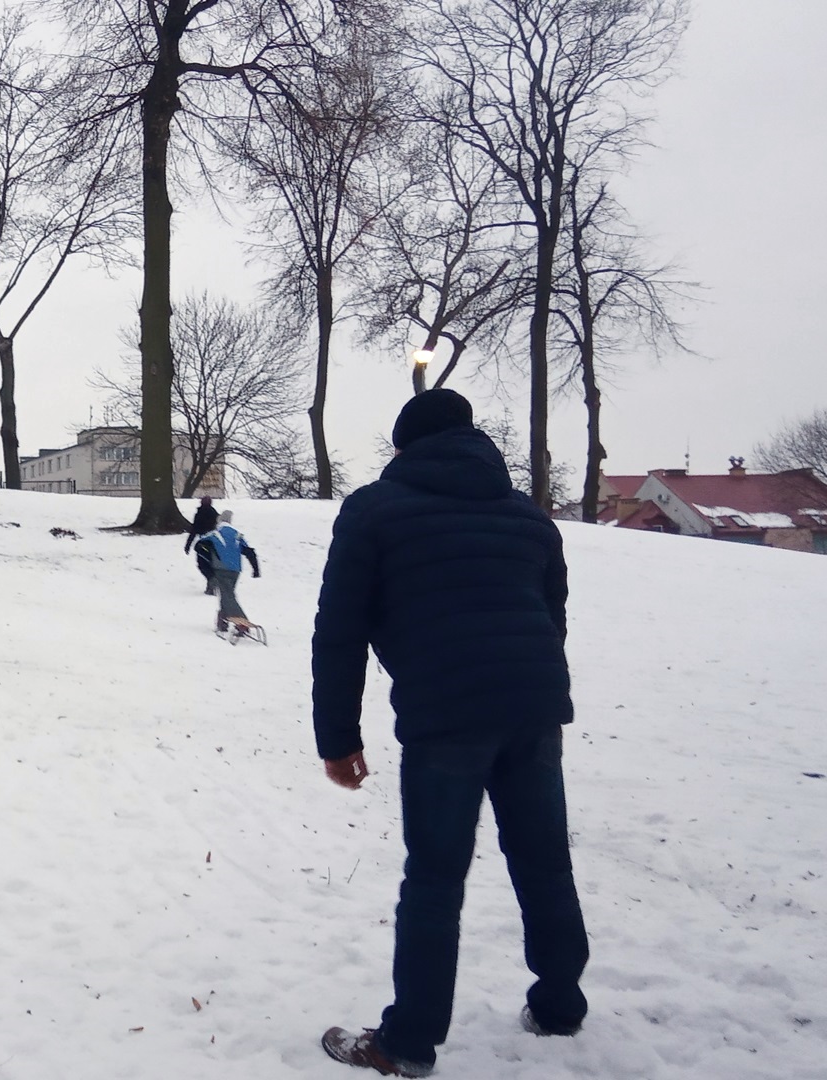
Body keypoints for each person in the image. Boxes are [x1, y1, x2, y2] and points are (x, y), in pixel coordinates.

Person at [314, 389, 586, 1079]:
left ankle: (405, 1044)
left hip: (446, 717)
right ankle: (560, 1004)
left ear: (405, 447)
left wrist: (337, 738)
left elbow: (340, 632)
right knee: (544, 861)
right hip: (532, 708)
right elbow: (549, 616)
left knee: (435, 878)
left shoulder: (374, 509)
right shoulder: (527, 515)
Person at [193, 510, 261, 621]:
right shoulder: (237, 535)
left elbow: (198, 546)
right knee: (227, 594)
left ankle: (241, 621)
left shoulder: (214, 534)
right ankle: (223, 620)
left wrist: (208, 561)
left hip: (220, 568)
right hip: (235, 570)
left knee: (227, 596)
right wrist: (255, 569)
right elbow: (249, 552)